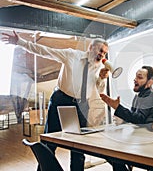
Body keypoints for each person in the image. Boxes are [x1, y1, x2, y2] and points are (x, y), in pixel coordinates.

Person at [1, 31, 109, 171]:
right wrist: (20, 42)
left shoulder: (99, 67)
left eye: (105, 53)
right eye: (101, 50)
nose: (102, 55)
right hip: (61, 99)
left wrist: (101, 79)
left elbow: (98, 90)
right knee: (49, 143)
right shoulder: (72, 55)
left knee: (78, 146)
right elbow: (45, 51)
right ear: (90, 48)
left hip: (82, 105)